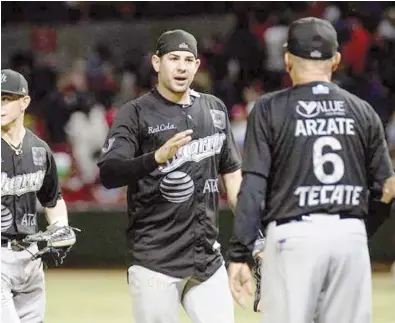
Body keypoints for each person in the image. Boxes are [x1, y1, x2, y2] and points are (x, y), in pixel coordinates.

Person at [227, 17, 395, 323]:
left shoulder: (269, 108)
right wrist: (357, 230)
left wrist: (239, 251)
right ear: (337, 60)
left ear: (288, 58)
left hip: (294, 234)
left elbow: (253, 185)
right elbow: (386, 189)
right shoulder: (363, 110)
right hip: (350, 235)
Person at [97, 29, 242, 323]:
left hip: (206, 258)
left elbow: (232, 174)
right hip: (155, 260)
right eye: (173, 58)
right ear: (156, 63)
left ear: (197, 66)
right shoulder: (136, 113)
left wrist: (254, 231)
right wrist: (155, 158)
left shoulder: (214, 108)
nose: (181, 66)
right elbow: (110, 172)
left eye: (189, 59)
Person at [1, 69, 78, 322]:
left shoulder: (39, 149)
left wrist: (60, 227)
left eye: (7, 98)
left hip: (32, 255)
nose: (1, 105)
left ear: (25, 102)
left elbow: (52, 199)